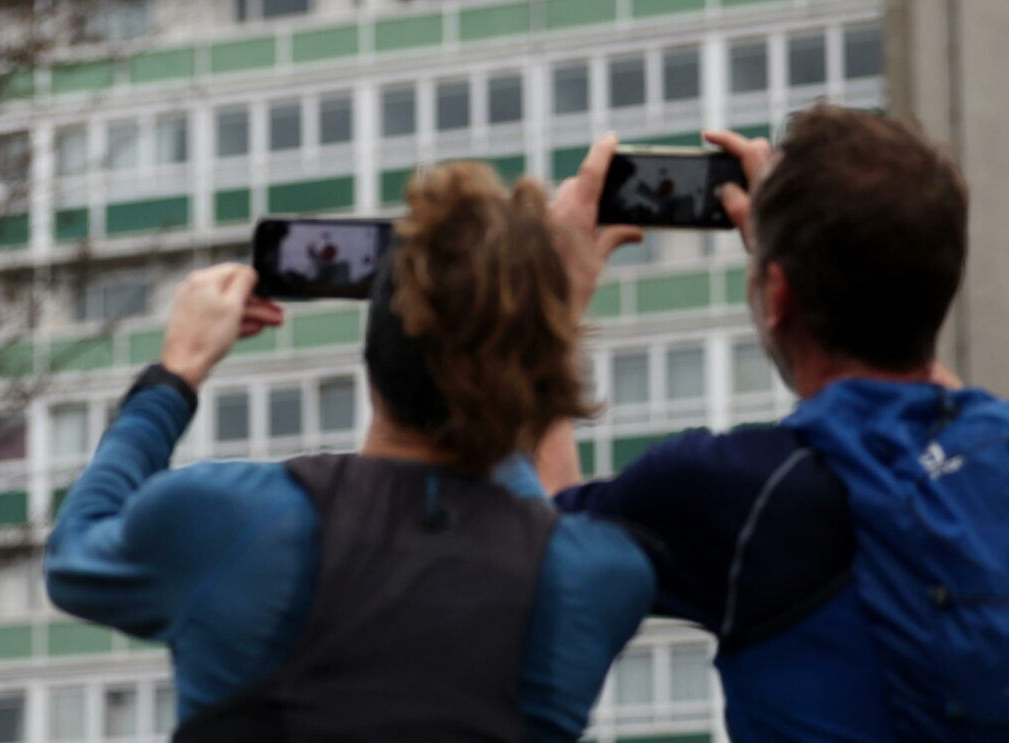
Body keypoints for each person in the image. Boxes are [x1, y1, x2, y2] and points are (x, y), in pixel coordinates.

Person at [539, 105, 1009, 743]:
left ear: (779, 295)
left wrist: (549, 305)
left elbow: (532, 545)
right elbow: (930, 404)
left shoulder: (741, 496)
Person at [46, 163, 655, 742]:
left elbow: (76, 551)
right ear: (539, 368)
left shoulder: (231, 520)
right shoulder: (597, 578)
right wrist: (540, 320)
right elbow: (539, 519)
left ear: (373, 361)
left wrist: (174, 374)